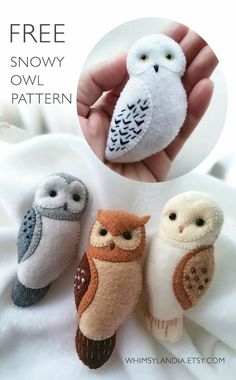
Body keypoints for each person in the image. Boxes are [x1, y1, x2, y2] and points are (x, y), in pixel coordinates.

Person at [77, 22, 218, 182]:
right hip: (121, 147)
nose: (156, 65)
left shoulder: (175, 88)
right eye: (144, 58)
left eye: (168, 57)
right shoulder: (137, 88)